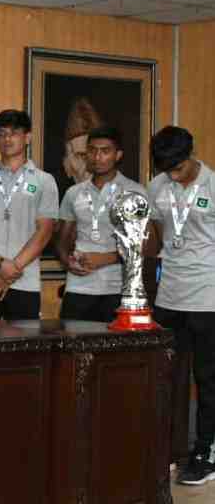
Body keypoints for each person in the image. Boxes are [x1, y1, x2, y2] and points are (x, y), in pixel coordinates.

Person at [146, 126, 215, 486]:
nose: (172, 174)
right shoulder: (157, 187)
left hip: (207, 296)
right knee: (167, 376)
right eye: (166, 168)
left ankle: (206, 451)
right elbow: (156, 236)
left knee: (207, 378)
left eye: (177, 167)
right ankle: (169, 449)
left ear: (192, 154)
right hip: (169, 295)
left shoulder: (213, 185)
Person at [0, 109, 57, 320]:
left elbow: (45, 230)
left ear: (27, 137)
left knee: (23, 350)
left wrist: (11, 270)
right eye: (2, 133)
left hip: (24, 280)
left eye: (14, 132)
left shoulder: (44, 181)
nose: (7, 138)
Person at [55, 126, 145, 323]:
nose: (97, 157)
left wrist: (107, 258)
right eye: (92, 150)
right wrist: (66, 261)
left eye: (105, 151)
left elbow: (143, 244)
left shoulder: (134, 191)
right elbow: (62, 240)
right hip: (78, 287)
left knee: (114, 352)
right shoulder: (74, 193)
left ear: (118, 155)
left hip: (116, 288)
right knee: (71, 349)